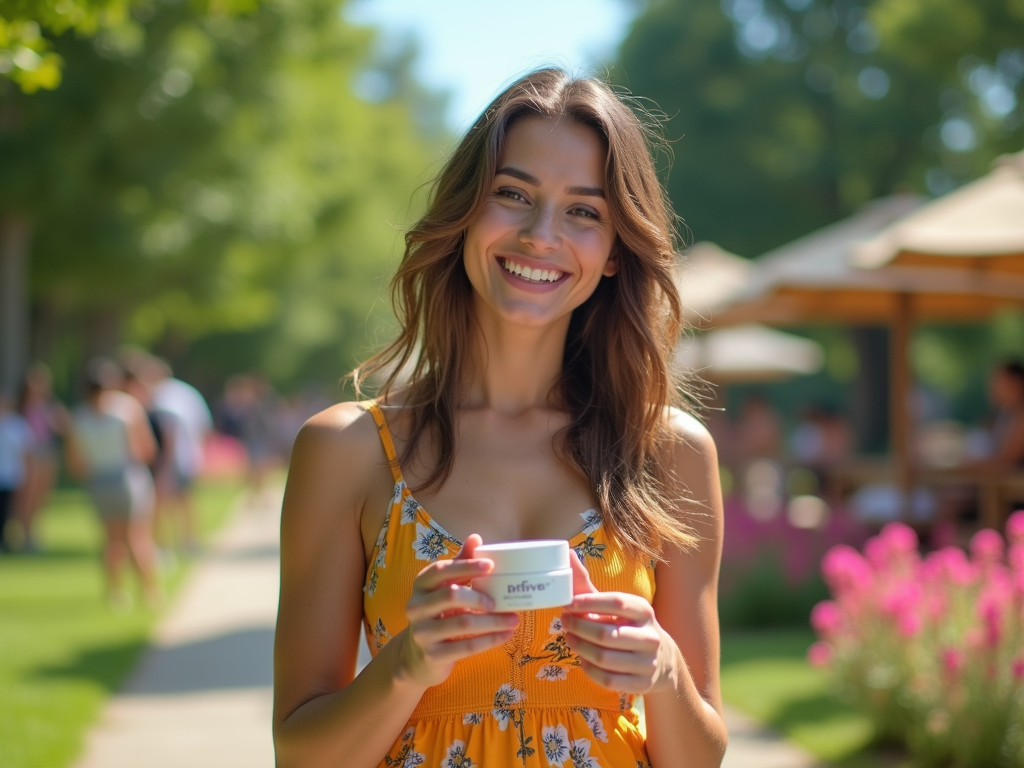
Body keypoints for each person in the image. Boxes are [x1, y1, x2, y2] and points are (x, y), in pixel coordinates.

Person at [273, 69, 727, 768]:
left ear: (613, 253)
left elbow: (700, 757)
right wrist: (405, 667)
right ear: (465, 215)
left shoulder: (668, 452)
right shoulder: (350, 450)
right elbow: (299, 756)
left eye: (584, 211)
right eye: (513, 195)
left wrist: (663, 674)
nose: (542, 235)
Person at [66, 358, 161, 608]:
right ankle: (150, 592)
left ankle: (116, 594)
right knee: (137, 537)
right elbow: (147, 449)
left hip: (99, 480)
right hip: (127, 477)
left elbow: (75, 464)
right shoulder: (127, 409)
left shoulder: (78, 418)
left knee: (112, 540)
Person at [17, 363, 67, 551]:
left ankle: (34, 532)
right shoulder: (21, 408)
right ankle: (24, 534)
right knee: (27, 495)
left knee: (41, 496)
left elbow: (63, 428)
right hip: (29, 453)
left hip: (47, 452)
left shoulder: (50, 406)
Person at [0, 392, 31, 553]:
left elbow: (25, 452)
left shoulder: (17, 425)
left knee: (11, 511)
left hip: (13, 476)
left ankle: (11, 540)